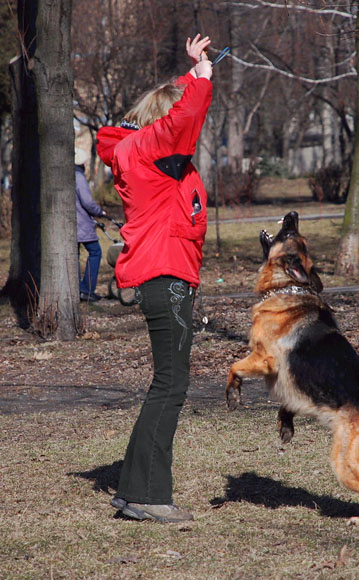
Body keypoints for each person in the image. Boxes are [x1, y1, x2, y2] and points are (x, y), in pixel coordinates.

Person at [96, 34, 213, 523]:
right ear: (160, 123)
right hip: (165, 277)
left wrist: (193, 74)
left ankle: (134, 490)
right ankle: (146, 496)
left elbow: (171, 129)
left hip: (166, 277)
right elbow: (182, 124)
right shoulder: (148, 152)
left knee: (166, 383)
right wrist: (198, 79)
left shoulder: (146, 157)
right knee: (170, 385)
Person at [75, 148, 106, 302]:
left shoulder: (65, 175)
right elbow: (87, 202)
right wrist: (99, 212)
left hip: (72, 224)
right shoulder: (78, 176)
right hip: (81, 223)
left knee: (74, 256)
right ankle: (86, 289)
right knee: (95, 252)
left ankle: (79, 288)